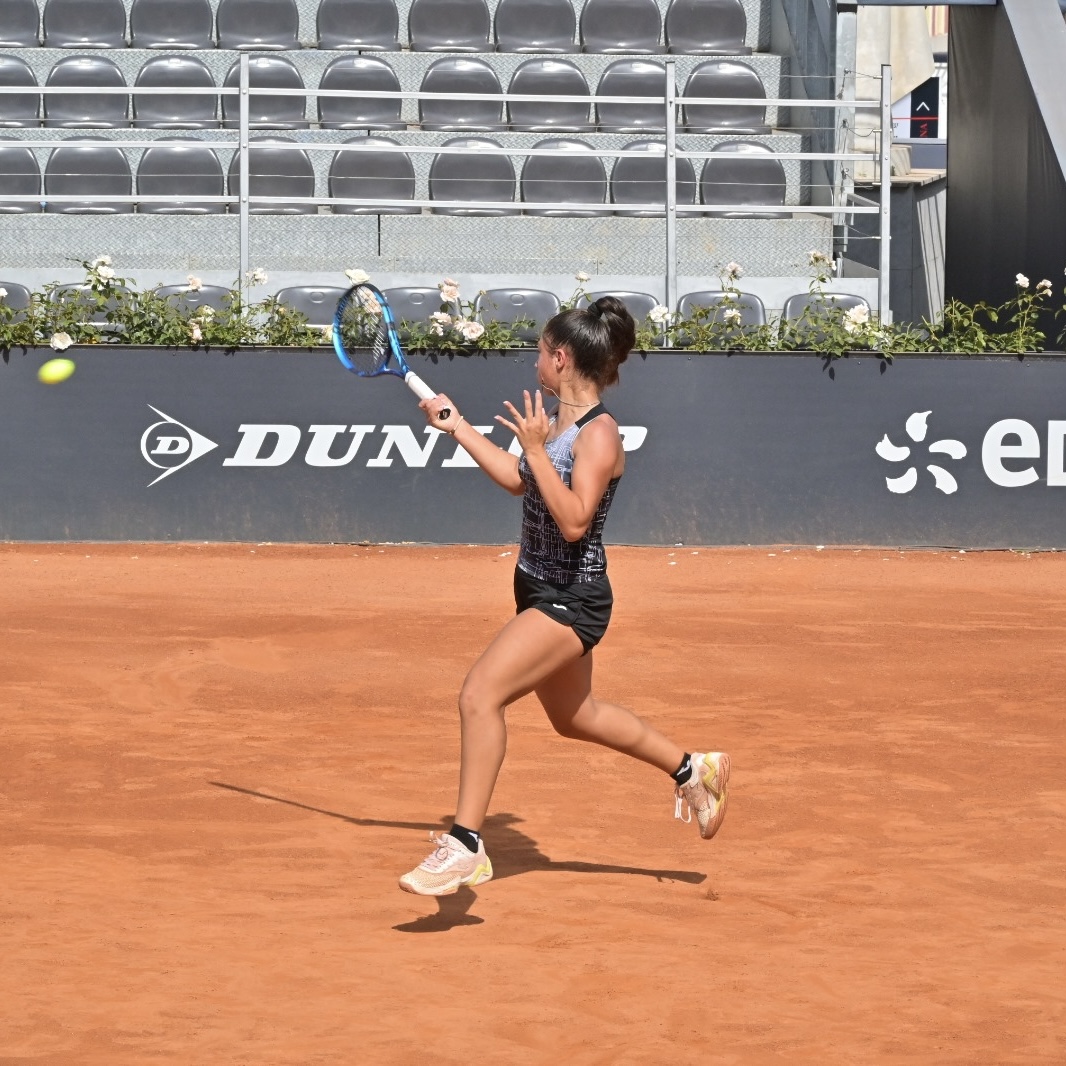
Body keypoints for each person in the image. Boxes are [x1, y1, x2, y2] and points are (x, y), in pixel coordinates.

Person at [399, 296, 730, 896]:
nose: (535, 363)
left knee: (480, 695)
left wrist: (533, 449)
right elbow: (518, 482)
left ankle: (466, 845)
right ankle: (692, 768)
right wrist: (459, 427)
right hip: (538, 585)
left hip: (571, 598)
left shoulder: (598, 436)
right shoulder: (553, 423)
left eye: (539, 352)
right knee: (576, 716)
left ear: (562, 356)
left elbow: (575, 520)